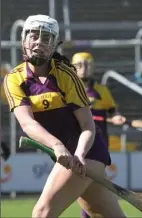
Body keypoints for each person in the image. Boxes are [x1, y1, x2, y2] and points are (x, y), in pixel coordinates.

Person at [3, 14, 126, 217]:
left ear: (54, 44)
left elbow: (88, 125)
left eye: (45, 38)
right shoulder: (14, 80)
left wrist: (79, 154)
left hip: (86, 155)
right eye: (34, 36)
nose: (38, 43)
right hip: (65, 156)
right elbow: (28, 124)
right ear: (23, 40)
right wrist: (57, 146)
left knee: (42, 213)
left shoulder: (65, 74)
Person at [71, 52, 127, 218]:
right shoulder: (69, 89)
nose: (84, 69)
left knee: (92, 186)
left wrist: (116, 117)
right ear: (73, 68)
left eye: (87, 64)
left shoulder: (101, 90)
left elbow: (111, 112)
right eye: (80, 65)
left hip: (99, 146)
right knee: (89, 186)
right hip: (77, 145)